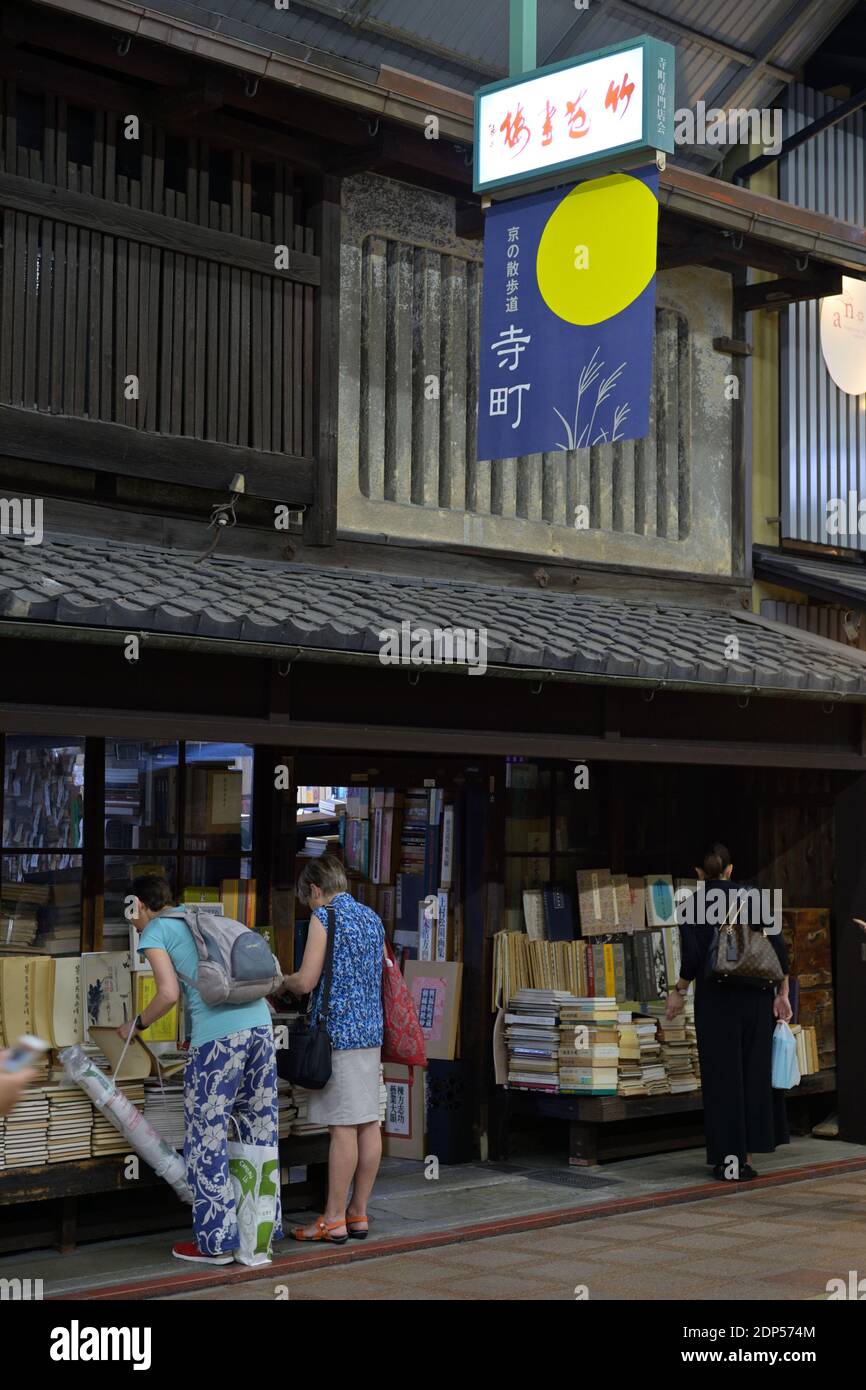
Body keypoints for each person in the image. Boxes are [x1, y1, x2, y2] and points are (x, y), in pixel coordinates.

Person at [121, 873, 281, 1264]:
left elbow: (168, 993)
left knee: (206, 1139)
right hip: (261, 1029)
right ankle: (259, 1232)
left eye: (132, 911)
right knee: (259, 1128)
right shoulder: (199, 918)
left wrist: (135, 1025)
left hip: (218, 1041)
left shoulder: (156, 931)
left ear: (138, 904)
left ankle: (216, 1243)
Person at [666, 843, 792, 1182]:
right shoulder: (756, 898)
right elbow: (780, 949)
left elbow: (692, 961)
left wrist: (678, 992)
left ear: (698, 873)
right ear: (730, 870)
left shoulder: (690, 906)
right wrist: (782, 994)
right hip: (755, 998)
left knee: (723, 1080)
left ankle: (728, 1162)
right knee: (753, 1075)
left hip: (716, 1002)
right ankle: (747, 1159)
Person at [281, 853, 384, 1244]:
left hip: (337, 1036)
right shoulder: (372, 918)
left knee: (342, 1127)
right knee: (368, 1122)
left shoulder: (325, 917)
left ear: (315, 889)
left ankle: (332, 1219)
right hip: (371, 1033)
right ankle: (358, 1213)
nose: (309, 906)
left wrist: (282, 980)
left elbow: (307, 981)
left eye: (307, 899)